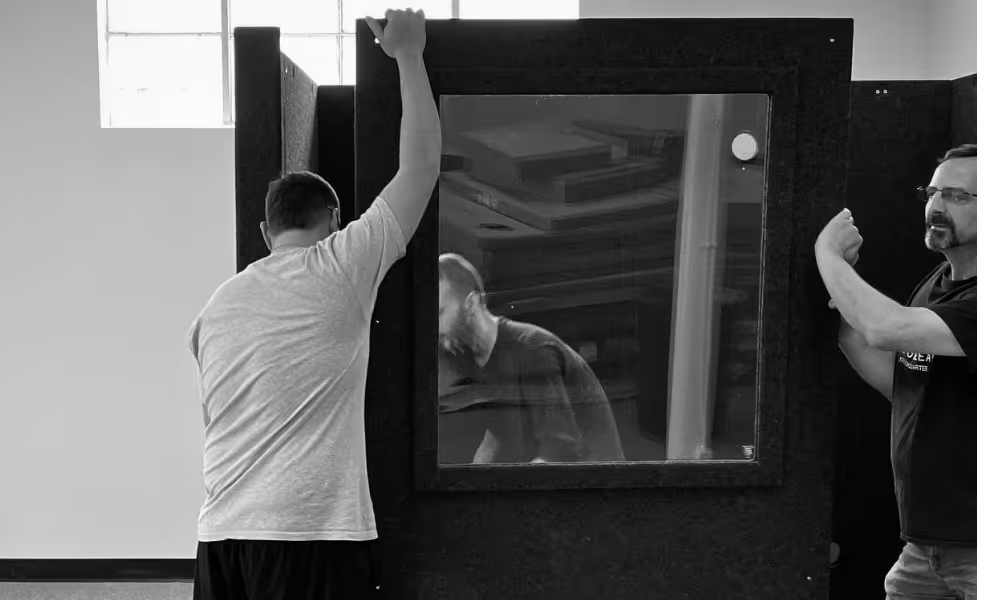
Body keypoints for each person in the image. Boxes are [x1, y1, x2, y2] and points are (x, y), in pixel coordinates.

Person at [186, 9, 440, 599]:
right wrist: (408, 55)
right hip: (310, 537)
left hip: (221, 536)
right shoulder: (343, 264)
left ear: (264, 232)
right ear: (334, 220)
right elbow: (421, 166)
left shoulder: (213, 310)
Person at [815, 144, 976, 599]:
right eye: (933, 192)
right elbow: (905, 387)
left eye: (959, 196)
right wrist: (847, 327)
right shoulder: (935, 285)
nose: (937, 207)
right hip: (924, 549)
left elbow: (885, 327)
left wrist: (827, 252)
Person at [438, 253, 625, 464]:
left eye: (440, 313)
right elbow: (496, 432)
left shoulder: (535, 351)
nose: (434, 327)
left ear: (471, 303)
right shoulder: (470, 355)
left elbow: (557, 455)